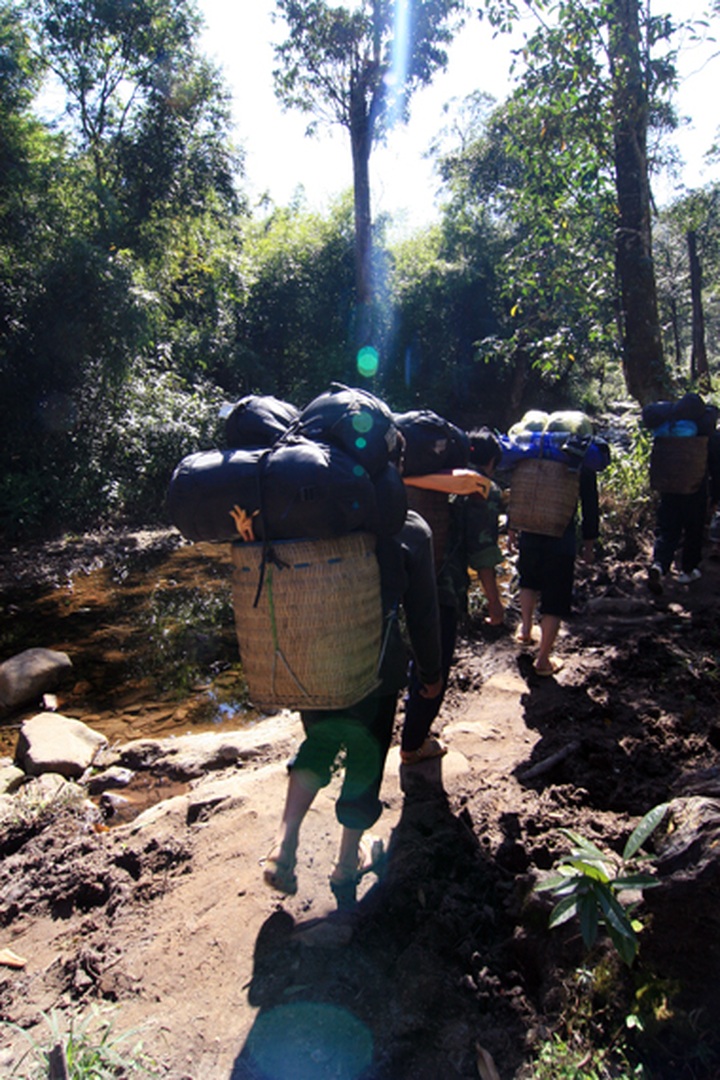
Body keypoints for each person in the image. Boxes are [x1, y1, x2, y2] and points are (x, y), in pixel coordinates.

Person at [263, 509, 443, 908]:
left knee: (320, 745)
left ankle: (284, 843)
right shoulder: (408, 527)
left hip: (310, 661)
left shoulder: (301, 518)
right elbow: (423, 612)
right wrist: (431, 671)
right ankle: (347, 862)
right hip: (376, 668)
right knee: (366, 755)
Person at [399, 427, 505, 765]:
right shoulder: (478, 490)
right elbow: (482, 550)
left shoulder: (416, 477)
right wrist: (494, 601)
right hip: (440, 587)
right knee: (434, 665)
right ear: (490, 462)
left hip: (395, 578)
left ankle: (403, 730)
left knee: (409, 659)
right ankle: (413, 744)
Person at [510, 466, 599, 677]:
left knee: (528, 580)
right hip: (561, 540)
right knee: (555, 598)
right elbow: (590, 505)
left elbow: (519, 493)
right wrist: (588, 544)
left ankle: (525, 630)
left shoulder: (534, 452)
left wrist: (513, 529)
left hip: (529, 534)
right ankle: (542, 661)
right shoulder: (579, 459)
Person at [648, 421, 720, 593]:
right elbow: (716, 469)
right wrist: (716, 497)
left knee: (667, 530)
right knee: (692, 531)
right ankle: (687, 571)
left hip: (669, 489)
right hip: (696, 492)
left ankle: (659, 564)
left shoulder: (671, 431)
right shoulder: (708, 436)